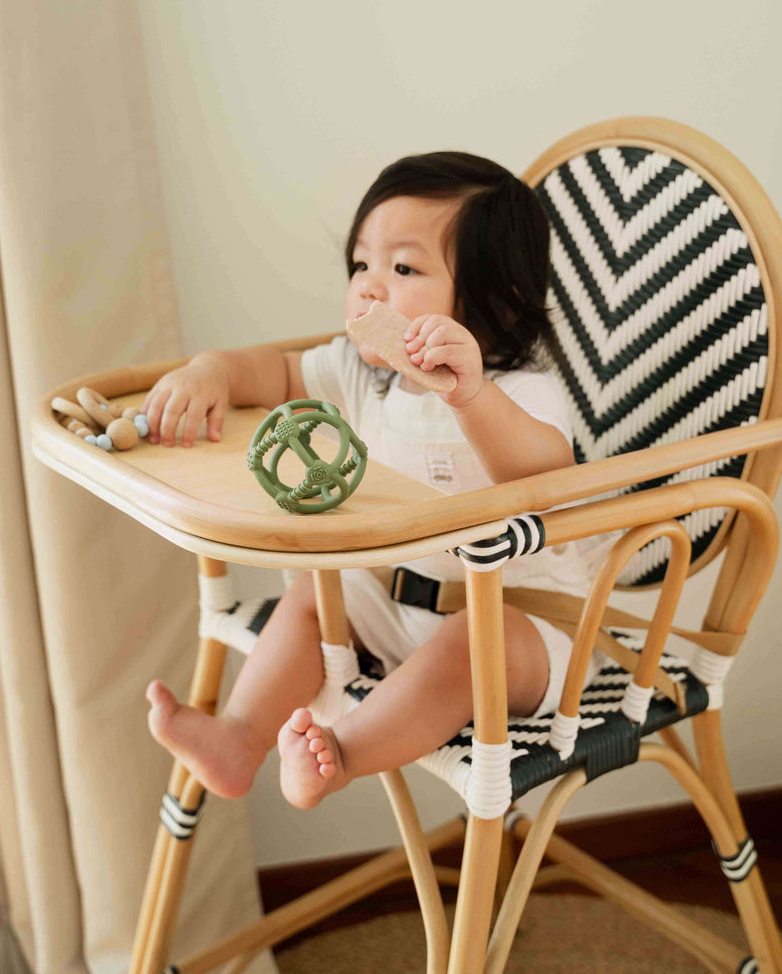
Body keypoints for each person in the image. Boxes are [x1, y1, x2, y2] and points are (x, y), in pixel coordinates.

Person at [143, 152, 600, 811]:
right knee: (312, 597)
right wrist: (210, 372)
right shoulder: (367, 377)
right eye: (361, 264)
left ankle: (343, 755)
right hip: (392, 605)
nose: (368, 289)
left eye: (403, 268)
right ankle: (240, 738)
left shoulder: (521, 392)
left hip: (529, 633)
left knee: (479, 638)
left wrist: (469, 395)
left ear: (491, 300)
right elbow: (272, 373)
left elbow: (541, 472)